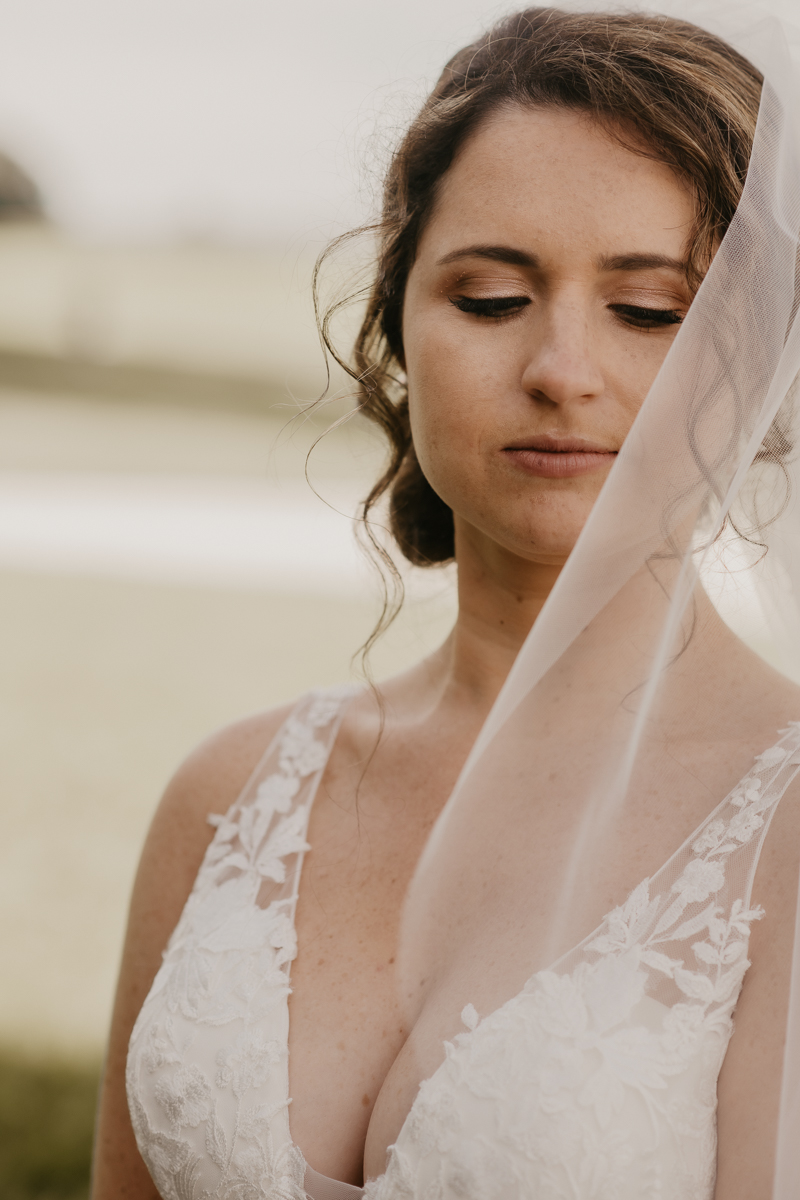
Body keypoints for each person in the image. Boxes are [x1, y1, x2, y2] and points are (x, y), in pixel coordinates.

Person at [90, 7, 800, 1199]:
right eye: (486, 298)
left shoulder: (782, 828)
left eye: (646, 311)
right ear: (398, 328)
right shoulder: (229, 799)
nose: (559, 370)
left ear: (764, 355)